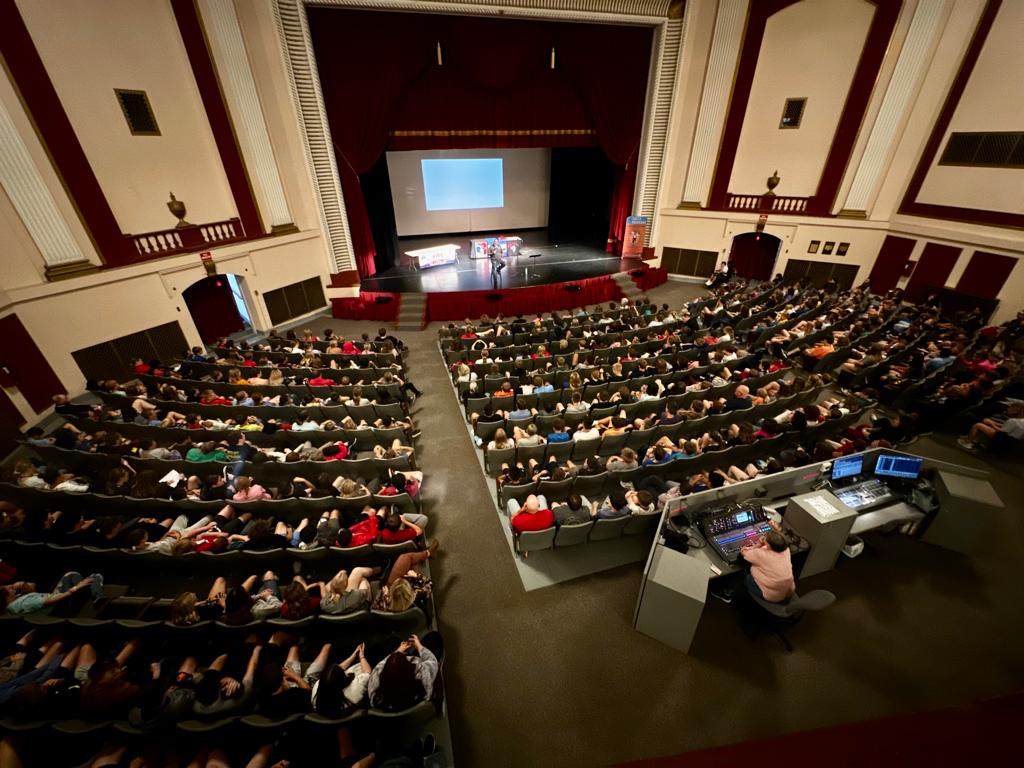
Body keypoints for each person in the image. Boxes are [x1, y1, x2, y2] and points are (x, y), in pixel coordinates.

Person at [367, 634, 439, 712]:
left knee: (391, 641)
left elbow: (380, 666)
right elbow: (432, 661)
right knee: (434, 637)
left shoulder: (376, 692)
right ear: (409, 665)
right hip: (416, 698)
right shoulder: (422, 675)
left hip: (394, 708)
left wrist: (397, 651)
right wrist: (419, 646)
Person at [740, 522, 794, 603]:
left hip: (772, 595)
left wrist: (758, 544)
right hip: (788, 591)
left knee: (743, 574)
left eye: (766, 538)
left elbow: (743, 552)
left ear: (768, 545)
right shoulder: (785, 549)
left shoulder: (761, 554)